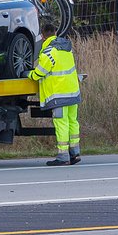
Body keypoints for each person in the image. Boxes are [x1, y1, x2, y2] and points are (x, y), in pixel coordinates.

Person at [21, 21, 81, 166]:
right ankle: (75, 152)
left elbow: (39, 74)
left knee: (61, 123)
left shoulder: (48, 51)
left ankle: (63, 156)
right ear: (55, 33)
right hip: (72, 92)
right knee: (73, 121)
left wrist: (27, 73)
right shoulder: (67, 48)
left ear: (42, 36)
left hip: (58, 95)